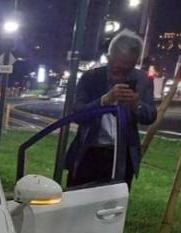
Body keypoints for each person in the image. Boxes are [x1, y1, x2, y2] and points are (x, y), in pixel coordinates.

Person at [66, 30, 156, 189]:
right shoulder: (91, 78)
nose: (121, 75)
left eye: (127, 70)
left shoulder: (142, 80)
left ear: (135, 62)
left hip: (123, 154)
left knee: (115, 205)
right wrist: (104, 100)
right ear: (109, 58)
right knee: (79, 201)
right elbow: (77, 114)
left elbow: (150, 116)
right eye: (117, 69)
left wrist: (136, 105)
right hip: (90, 152)